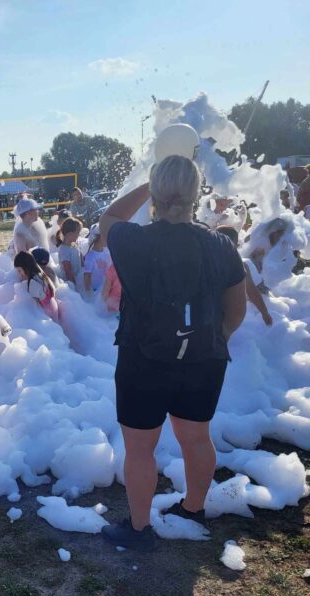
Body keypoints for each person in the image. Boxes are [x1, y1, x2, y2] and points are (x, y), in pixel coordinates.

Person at [98, 155, 247, 551]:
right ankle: (193, 509)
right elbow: (237, 310)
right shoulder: (221, 245)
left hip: (143, 361)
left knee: (140, 448)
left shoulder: (133, 241)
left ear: (157, 195)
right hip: (204, 360)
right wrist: (216, 339)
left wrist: (149, 184)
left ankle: (139, 528)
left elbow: (107, 220)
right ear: (197, 194)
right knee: (197, 438)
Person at [217, 226, 272, 326]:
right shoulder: (240, 264)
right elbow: (252, 291)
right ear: (235, 244)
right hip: (229, 316)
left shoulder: (205, 260)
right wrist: (264, 312)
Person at [13, 250, 58, 321]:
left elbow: (35, 307)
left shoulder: (33, 284)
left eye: (19, 270)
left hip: (46, 316)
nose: (19, 274)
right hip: (53, 310)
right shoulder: (41, 275)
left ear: (26, 268)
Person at [83, 224, 112, 295]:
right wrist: (88, 292)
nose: (107, 238)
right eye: (105, 236)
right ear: (97, 238)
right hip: (95, 289)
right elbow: (87, 275)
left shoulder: (106, 251)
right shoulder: (91, 256)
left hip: (105, 287)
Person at [56, 217, 83, 286]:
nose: (79, 235)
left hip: (78, 277)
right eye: (78, 233)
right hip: (70, 282)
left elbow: (79, 255)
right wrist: (74, 285)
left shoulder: (72, 244)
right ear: (69, 234)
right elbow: (68, 271)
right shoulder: (64, 250)